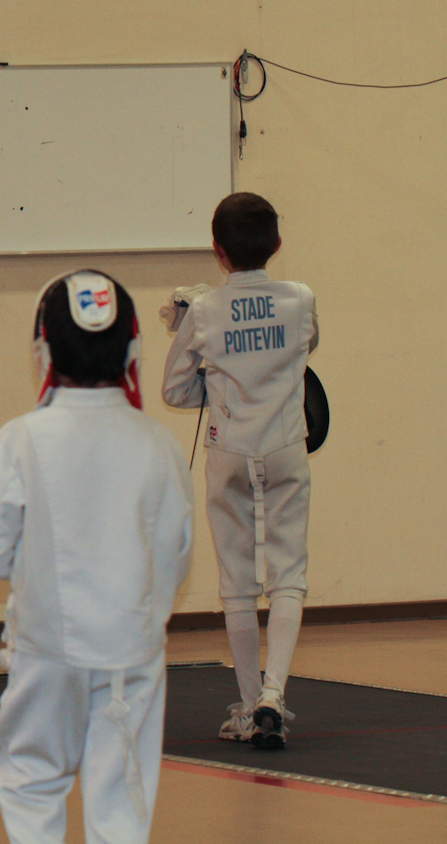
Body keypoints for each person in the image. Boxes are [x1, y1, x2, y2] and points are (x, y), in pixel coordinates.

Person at [0, 271, 193, 844]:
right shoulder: (158, 443)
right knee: (123, 793)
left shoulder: (19, 439)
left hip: (46, 648)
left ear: (43, 350)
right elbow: (175, 554)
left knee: (32, 777)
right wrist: (138, 619)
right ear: (133, 349)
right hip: (132, 649)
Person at [162, 191, 318, 749]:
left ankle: (251, 707)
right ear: (276, 244)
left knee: (237, 583)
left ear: (218, 250)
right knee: (288, 574)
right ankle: (275, 694)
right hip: (286, 447)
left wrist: (201, 353)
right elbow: (305, 348)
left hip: (229, 450)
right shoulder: (300, 298)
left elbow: (174, 390)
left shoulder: (203, 310)